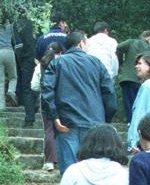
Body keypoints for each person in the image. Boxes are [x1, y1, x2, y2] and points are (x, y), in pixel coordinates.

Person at [41, 31, 117, 174]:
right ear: (81, 43)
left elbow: (47, 91)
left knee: (70, 174)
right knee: (94, 173)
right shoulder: (97, 63)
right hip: (95, 124)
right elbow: (109, 93)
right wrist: (105, 119)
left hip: (66, 124)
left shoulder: (57, 62)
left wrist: (55, 117)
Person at [31, 41, 64, 170]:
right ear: (60, 52)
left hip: (45, 100)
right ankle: (63, 159)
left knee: (49, 130)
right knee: (62, 129)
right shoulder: (63, 63)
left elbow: (34, 86)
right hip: (62, 100)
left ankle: (49, 161)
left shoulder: (40, 66)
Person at [115, 30, 150, 120]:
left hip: (126, 78)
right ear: (149, 37)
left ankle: (130, 122)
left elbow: (119, 47)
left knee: (128, 104)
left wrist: (120, 62)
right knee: (139, 105)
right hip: (141, 81)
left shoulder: (131, 42)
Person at [14, 14, 40, 127]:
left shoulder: (19, 28)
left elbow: (18, 46)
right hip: (37, 61)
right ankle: (34, 105)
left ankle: (29, 118)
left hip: (25, 61)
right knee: (35, 86)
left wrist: (19, 62)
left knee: (26, 88)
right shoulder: (37, 27)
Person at [0, 20, 18, 110]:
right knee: (13, 77)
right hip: (9, 52)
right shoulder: (10, 26)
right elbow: (14, 40)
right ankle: (11, 91)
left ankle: (1, 107)